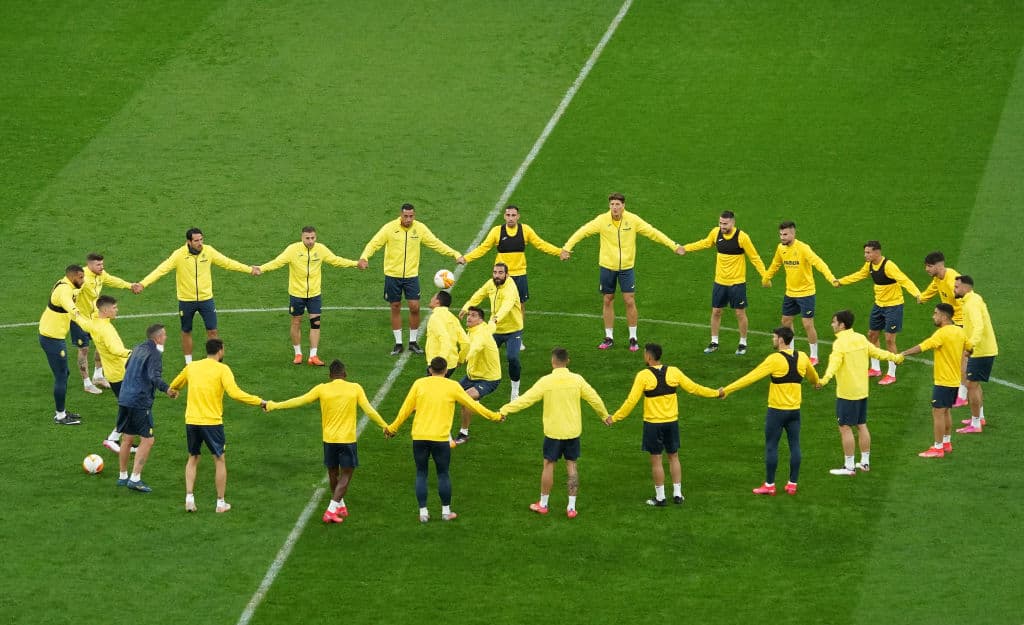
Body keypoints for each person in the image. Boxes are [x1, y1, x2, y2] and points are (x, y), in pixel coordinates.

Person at [265, 360, 389, 523]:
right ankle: (331, 510)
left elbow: (298, 400)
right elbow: (369, 410)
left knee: (333, 473)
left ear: (330, 376)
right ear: (345, 374)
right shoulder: (355, 388)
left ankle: (340, 506)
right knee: (346, 475)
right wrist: (385, 426)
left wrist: (273, 405)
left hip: (329, 440)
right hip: (347, 440)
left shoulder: (322, 389)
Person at [560, 193, 684, 351]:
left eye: (618, 204)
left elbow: (653, 232)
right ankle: (609, 337)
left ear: (623, 206)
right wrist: (566, 248)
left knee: (629, 300)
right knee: (608, 299)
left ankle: (633, 337)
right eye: (612, 204)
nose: (615, 208)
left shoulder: (632, 220)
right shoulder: (602, 220)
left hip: (626, 267)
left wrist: (674, 246)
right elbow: (582, 232)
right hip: (607, 266)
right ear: (609, 206)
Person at [385, 356, 502, 523]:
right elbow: (473, 405)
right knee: (443, 474)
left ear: (430, 370)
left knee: (421, 473)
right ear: (446, 371)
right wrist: (495, 416)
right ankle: (446, 512)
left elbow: (406, 409)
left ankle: (423, 513)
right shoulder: (452, 386)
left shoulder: (419, 384)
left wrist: (392, 428)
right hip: (440, 439)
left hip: (420, 437)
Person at [500, 347, 608, 519]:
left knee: (549, 465)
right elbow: (593, 397)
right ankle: (571, 508)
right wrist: (604, 415)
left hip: (553, 432)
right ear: (568, 361)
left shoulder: (546, 381)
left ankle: (543, 504)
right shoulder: (577, 380)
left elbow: (526, 399)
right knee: (572, 466)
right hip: (572, 432)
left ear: (552, 361)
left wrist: (505, 409)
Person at [605, 343, 719, 505]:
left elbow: (631, 401)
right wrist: (716, 393)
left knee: (656, 460)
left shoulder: (643, 376)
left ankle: (660, 497)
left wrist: (614, 418)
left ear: (649, 357)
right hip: (671, 423)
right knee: (674, 456)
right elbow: (694, 388)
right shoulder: (674, 372)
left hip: (653, 425)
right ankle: (678, 494)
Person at [169, 338, 266, 513]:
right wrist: (260, 401)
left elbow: (175, 384)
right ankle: (220, 503)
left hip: (192, 420)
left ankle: (189, 499)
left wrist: (174, 391)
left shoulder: (192, 367)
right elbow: (235, 394)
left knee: (193, 458)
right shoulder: (223, 369)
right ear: (220, 351)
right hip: (212, 422)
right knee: (219, 460)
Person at [720, 327, 819, 495]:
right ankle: (792, 484)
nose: (773, 340)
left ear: (781, 340)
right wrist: (818, 382)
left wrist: (727, 390)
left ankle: (770, 485)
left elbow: (751, 377)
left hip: (777, 412)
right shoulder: (802, 357)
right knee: (795, 446)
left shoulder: (775, 360)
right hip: (795, 411)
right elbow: (813, 378)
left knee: (772, 446)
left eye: (774, 337)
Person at [140, 228, 260, 364]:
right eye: (196, 240)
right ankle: (188, 363)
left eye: (201, 239)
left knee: (213, 331)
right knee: (186, 331)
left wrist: (249, 269)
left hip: (206, 299)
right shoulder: (179, 255)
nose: (200, 243)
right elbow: (161, 270)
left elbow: (227, 262)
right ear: (188, 242)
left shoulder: (208, 251)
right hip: (186, 300)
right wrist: (143, 284)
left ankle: (214, 362)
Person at [358, 203, 463, 356]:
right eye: (405, 216)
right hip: (392, 275)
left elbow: (435, 243)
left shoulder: (419, 229)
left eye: (411, 216)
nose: (408, 219)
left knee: (414, 307)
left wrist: (455, 254)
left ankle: (413, 342)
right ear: (400, 215)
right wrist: (364, 257)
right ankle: (398, 343)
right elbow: (374, 243)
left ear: (414, 215)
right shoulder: (389, 228)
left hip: (411, 276)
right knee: (395, 306)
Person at [459, 204, 562, 348]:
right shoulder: (497, 231)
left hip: (519, 274)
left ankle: (518, 336)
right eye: (508, 215)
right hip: (502, 277)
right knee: (500, 305)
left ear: (518, 217)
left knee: (520, 305)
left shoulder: (525, 230)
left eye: (513, 215)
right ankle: (497, 332)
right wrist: (467, 258)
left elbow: (540, 244)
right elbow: (483, 248)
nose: (511, 218)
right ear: (504, 216)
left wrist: (559, 252)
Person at [817, 310, 904, 475]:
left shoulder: (840, 344)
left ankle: (849, 467)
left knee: (844, 427)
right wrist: (895, 357)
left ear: (842, 325)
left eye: (834, 322)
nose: (832, 324)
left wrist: (824, 379)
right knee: (861, 425)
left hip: (847, 393)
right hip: (862, 390)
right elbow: (877, 352)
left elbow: (834, 364)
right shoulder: (860, 338)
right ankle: (864, 463)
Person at [259, 226, 359, 366]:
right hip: (296, 294)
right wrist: (261, 268)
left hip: (314, 294)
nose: (310, 241)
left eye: (313, 238)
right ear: (302, 238)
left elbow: (336, 260)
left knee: (315, 323)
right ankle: (298, 353)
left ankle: (313, 355)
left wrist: (355, 264)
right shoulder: (292, 250)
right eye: (307, 238)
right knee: (296, 322)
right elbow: (277, 262)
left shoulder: (321, 249)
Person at [834, 241, 921, 385]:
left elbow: (904, 280)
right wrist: (841, 281)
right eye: (865, 252)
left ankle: (891, 374)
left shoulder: (889, 266)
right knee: (872, 335)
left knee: (889, 339)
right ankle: (875, 368)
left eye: (868, 252)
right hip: (879, 306)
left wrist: (917, 294)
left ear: (877, 252)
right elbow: (859, 275)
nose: (865, 255)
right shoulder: (869, 265)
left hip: (893, 306)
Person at [681, 210, 767, 355]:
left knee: (740, 313)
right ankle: (714, 342)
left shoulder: (742, 237)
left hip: (737, 283)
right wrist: (686, 248)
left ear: (733, 223)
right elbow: (705, 243)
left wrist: (765, 276)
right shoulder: (715, 233)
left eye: (725, 224)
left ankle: (743, 343)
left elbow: (755, 258)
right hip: (720, 281)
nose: (722, 226)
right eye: (720, 223)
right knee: (716, 311)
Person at [762, 221, 837, 365]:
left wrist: (831, 278)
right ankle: (790, 352)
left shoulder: (803, 249)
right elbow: (775, 264)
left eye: (785, 234)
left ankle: (814, 355)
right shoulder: (780, 248)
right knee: (786, 322)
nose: (782, 237)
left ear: (793, 234)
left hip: (806, 293)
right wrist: (766, 277)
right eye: (780, 234)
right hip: (790, 293)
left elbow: (818, 263)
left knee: (807, 324)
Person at [115, 324, 178, 492]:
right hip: (139, 401)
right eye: (164, 335)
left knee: (127, 438)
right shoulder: (154, 353)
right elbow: (153, 376)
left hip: (125, 397)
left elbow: (127, 367)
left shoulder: (137, 348)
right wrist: (167, 389)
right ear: (157, 338)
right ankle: (135, 479)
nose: (166, 338)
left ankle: (122, 476)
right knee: (148, 440)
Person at [899, 304, 967, 457]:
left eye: (935, 313)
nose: (933, 316)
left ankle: (937, 448)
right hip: (955, 380)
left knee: (937, 412)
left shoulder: (941, 334)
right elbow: (969, 348)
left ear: (944, 317)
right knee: (946, 411)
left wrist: (903, 353)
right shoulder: (960, 331)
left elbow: (923, 347)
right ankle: (947, 443)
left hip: (943, 381)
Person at [72, 253, 141, 394]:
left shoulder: (101, 274)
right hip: (80, 319)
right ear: (89, 265)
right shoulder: (81, 277)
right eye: (98, 264)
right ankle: (87, 382)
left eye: (102, 264)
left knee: (101, 345)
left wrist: (130, 286)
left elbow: (112, 280)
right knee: (84, 349)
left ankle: (98, 375)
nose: (101, 267)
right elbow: (72, 292)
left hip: (95, 317)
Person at [73, 295, 134, 452]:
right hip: (120, 374)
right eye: (114, 308)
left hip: (115, 374)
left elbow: (82, 322)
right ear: (105, 310)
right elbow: (116, 350)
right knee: (130, 408)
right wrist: (134, 353)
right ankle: (113, 439)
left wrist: (73, 311)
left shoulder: (94, 322)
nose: (117, 310)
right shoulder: (105, 330)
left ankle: (119, 440)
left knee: (128, 407)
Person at [459, 263, 523, 399]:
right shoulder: (491, 284)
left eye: (500, 273)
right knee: (480, 355)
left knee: (512, 358)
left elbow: (506, 306)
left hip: (512, 329)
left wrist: (495, 320)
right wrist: (466, 307)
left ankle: (515, 390)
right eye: (495, 272)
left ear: (507, 274)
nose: (497, 275)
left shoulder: (511, 289)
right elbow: (479, 295)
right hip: (495, 329)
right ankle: (478, 388)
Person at [917, 251, 968, 406]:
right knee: (955, 358)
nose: (927, 269)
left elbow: (966, 298)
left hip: (962, 322)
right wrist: (921, 298)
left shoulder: (953, 279)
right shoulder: (938, 279)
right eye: (926, 266)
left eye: (929, 266)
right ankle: (960, 391)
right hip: (953, 322)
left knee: (962, 359)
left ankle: (963, 395)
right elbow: (932, 289)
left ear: (939, 265)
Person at [38, 264, 85, 425]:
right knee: (61, 376)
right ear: (73, 277)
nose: (83, 280)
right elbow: (67, 302)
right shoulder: (64, 290)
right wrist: (77, 314)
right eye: (80, 277)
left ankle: (62, 411)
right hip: (52, 338)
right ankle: (60, 416)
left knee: (64, 374)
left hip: (53, 335)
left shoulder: (66, 284)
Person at [954, 275, 998, 434]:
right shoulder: (973, 299)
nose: (954, 289)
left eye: (957, 287)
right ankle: (980, 418)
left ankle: (975, 424)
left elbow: (978, 327)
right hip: (983, 349)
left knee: (971, 385)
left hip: (980, 351)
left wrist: (970, 346)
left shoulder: (971, 304)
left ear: (965, 288)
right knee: (974, 384)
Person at [452, 306, 502, 446]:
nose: (469, 317)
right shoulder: (476, 329)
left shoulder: (481, 334)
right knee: (450, 395)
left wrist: (465, 358)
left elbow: (476, 347)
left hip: (489, 379)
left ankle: (464, 433)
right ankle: (476, 400)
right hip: (471, 377)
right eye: (469, 314)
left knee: (466, 398)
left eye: (473, 315)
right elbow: (492, 326)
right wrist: (494, 320)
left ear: (480, 320)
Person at [424, 290, 468, 378]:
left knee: (432, 391)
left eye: (433, 297)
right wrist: (460, 359)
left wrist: (439, 364)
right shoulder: (453, 318)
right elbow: (466, 342)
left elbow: (445, 339)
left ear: (437, 301)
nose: (431, 299)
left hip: (438, 365)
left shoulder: (434, 318)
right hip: (452, 364)